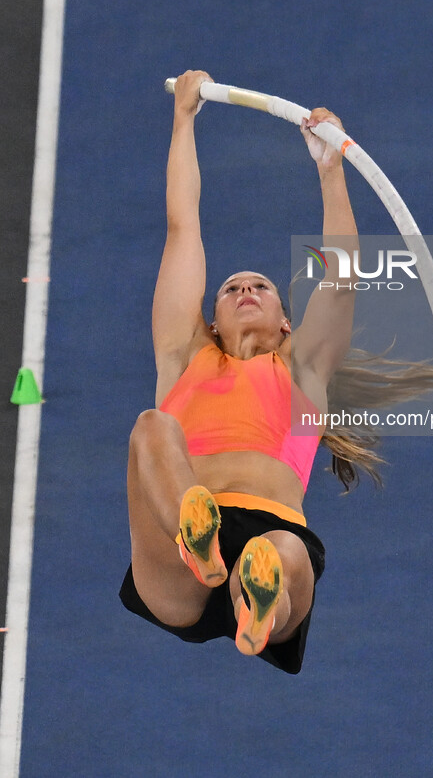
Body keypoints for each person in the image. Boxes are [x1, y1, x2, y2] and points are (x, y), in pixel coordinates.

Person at [119, 69, 360, 674]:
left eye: (261, 286)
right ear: (213, 316)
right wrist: (183, 121)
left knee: (278, 553)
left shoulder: (302, 369)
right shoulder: (184, 356)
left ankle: (260, 611)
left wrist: (332, 170)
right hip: (180, 554)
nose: (245, 290)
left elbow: (342, 276)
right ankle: (196, 539)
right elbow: (184, 228)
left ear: (287, 321)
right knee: (152, 427)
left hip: (269, 533)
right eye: (231, 287)